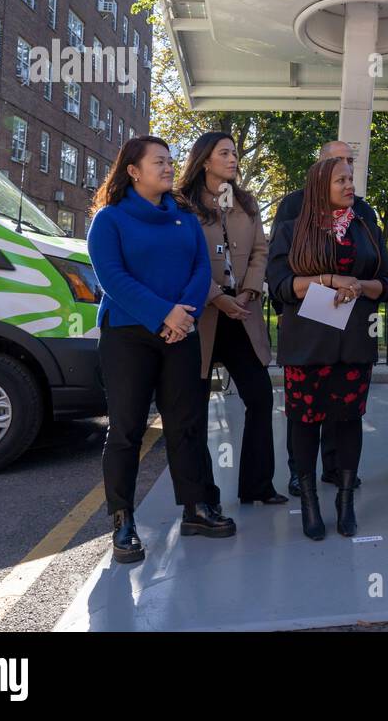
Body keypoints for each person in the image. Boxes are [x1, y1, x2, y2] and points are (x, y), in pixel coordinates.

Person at [87, 136, 235, 565]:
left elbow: (200, 269)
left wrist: (182, 317)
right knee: (127, 429)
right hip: (128, 334)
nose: (170, 167)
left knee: (185, 424)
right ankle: (123, 521)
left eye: (171, 161)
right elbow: (112, 278)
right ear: (133, 170)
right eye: (159, 162)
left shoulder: (185, 219)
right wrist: (163, 314)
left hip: (180, 332)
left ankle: (196, 508)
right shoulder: (109, 220)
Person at [266, 156, 388, 538]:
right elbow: (280, 285)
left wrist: (358, 285)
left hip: (354, 341)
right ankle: (309, 501)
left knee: (349, 420)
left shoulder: (366, 228)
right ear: (321, 186)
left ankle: (344, 500)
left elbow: (387, 284)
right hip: (307, 343)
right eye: (341, 180)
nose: (349, 185)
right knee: (304, 423)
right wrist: (329, 279)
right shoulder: (292, 230)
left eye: (351, 179)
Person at [178, 132, 284, 506]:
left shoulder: (247, 202)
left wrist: (249, 291)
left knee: (259, 398)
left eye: (236, 152)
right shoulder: (182, 204)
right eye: (225, 153)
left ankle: (258, 486)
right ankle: (203, 495)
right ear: (205, 160)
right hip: (201, 319)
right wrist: (216, 298)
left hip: (243, 314)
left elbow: (260, 249)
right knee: (195, 408)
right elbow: (182, 259)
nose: (234, 158)